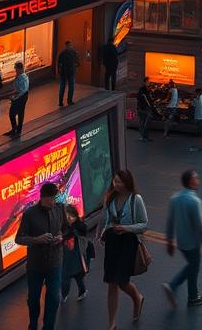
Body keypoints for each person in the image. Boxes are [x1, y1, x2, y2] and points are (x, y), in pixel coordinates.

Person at [98, 168, 148, 328]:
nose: (116, 184)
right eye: (115, 181)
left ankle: (137, 297)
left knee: (121, 281)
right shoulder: (110, 197)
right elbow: (105, 218)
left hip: (128, 243)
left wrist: (126, 228)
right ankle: (111, 323)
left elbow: (144, 224)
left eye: (119, 181)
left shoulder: (136, 199)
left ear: (127, 182)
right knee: (111, 282)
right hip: (112, 242)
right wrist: (101, 233)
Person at [14, 180, 65, 330]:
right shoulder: (30, 214)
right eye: (51, 199)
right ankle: (33, 325)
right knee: (33, 299)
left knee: (54, 297)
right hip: (35, 264)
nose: (53, 202)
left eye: (55, 199)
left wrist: (61, 237)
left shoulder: (59, 209)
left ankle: (48, 327)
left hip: (55, 261)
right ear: (43, 197)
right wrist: (37, 240)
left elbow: (66, 229)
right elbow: (19, 238)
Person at [163, 169, 202, 308]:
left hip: (181, 242)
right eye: (196, 178)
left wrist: (169, 240)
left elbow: (170, 221)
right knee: (193, 267)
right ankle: (176, 288)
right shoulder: (195, 201)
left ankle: (191, 295)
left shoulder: (174, 198)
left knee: (192, 266)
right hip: (193, 243)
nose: (198, 180)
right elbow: (201, 226)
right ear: (191, 182)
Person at [60, 203, 89, 304]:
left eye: (71, 216)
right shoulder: (66, 226)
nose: (69, 219)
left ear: (75, 215)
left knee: (74, 276)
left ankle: (68, 294)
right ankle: (65, 294)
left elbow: (70, 235)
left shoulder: (79, 227)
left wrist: (62, 237)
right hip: (68, 256)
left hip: (76, 256)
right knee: (69, 276)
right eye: (67, 217)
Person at [6, 60, 29, 138]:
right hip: (22, 96)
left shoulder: (21, 77)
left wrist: (11, 96)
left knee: (13, 113)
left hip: (20, 97)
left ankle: (16, 130)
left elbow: (19, 91)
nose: (15, 70)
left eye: (16, 68)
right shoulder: (22, 76)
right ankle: (16, 129)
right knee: (19, 113)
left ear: (19, 69)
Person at [57, 41, 79, 108]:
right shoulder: (73, 53)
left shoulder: (62, 54)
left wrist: (59, 72)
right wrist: (76, 67)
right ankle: (69, 101)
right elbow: (77, 62)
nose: (70, 47)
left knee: (63, 87)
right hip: (69, 72)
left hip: (64, 72)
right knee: (70, 86)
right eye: (69, 45)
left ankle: (61, 102)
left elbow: (59, 64)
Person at [137, 78, 155, 142]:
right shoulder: (143, 89)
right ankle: (143, 137)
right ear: (145, 82)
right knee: (144, 123)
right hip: (143, 108)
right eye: (148, 81)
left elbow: (148, 98)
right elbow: (145, 98)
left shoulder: (146, 89)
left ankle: (145, 137)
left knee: (144, 123)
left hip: (144, 108)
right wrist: (149, 105)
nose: (149, 83)